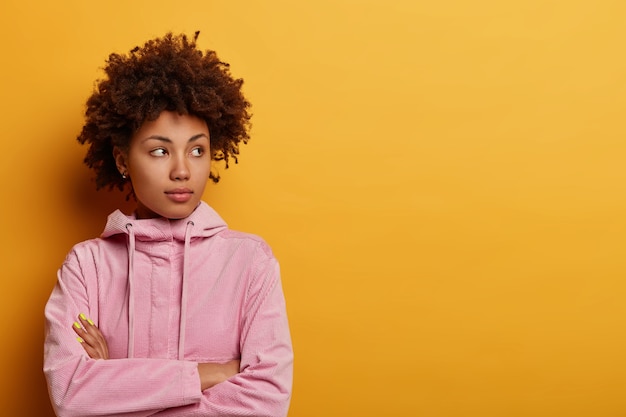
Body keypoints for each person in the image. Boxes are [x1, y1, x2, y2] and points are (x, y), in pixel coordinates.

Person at [43, 32, 293, 417]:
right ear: (123, 161)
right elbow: (70, 395)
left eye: (197, 150)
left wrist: (117, 383)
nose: (182, 170)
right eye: (160, 151)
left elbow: (267, 402)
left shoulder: (250, 263)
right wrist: (207, 374)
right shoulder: (86, 267)